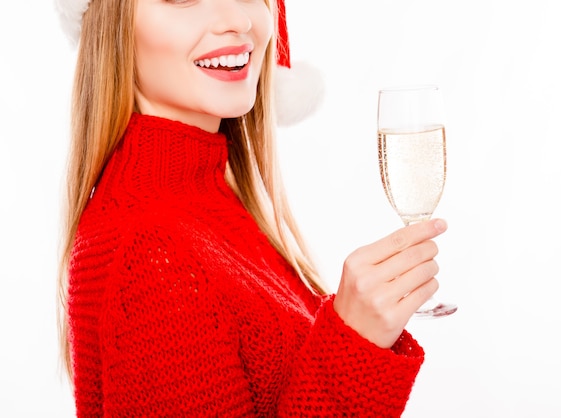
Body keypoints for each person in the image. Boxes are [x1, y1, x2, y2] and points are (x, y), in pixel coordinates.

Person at [55, 0, 448, 416]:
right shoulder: (151, 254)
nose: (238, 20)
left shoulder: (205, 204)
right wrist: (354, 344)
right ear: (112, 25)